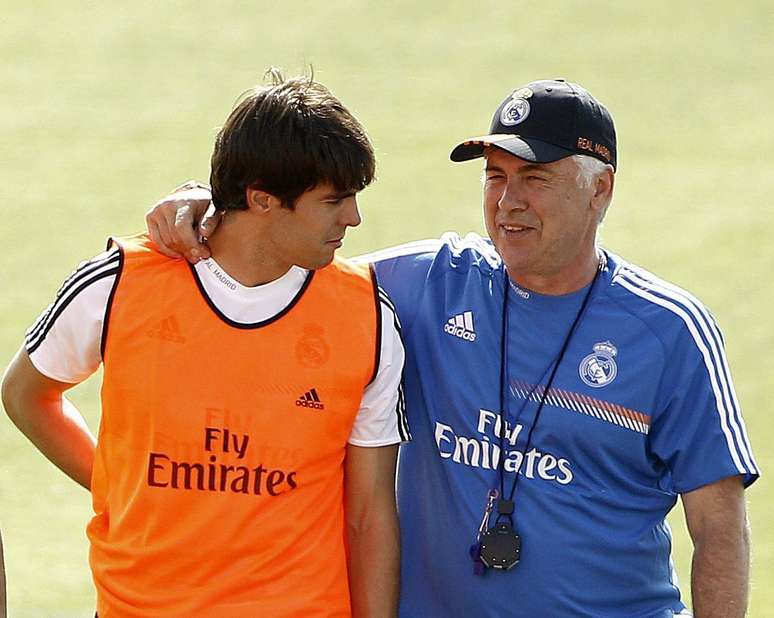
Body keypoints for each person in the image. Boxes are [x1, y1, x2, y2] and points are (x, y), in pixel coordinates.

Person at [145, 79, 758, 617]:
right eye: (495, 176)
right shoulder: (428, 284)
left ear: (601, 190)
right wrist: (210, 204)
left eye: (535, 179)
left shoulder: (670, 331)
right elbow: (280, 259)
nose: (507, 201)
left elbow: (718, 525)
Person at [2, 72, 408, 617]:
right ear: (262, 200)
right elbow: (27, 393)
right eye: (333, 200)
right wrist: (116, 486)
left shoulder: (367, 316)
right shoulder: (120, 284)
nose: (354, 218)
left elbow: (369, 513)